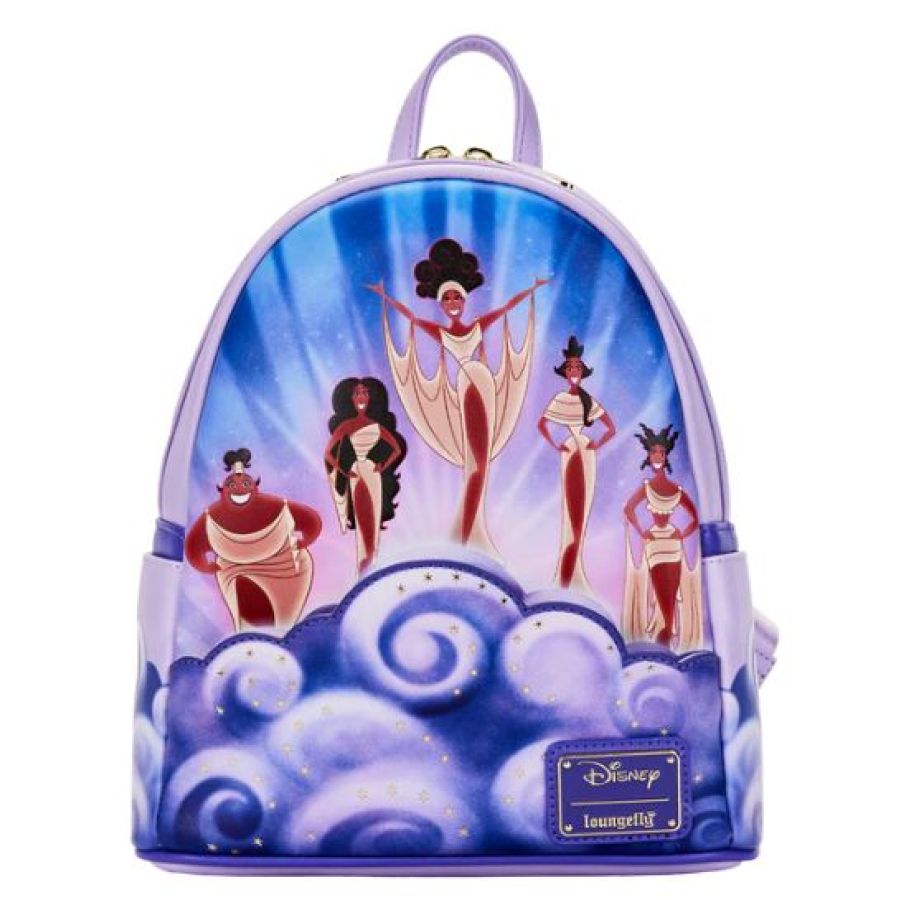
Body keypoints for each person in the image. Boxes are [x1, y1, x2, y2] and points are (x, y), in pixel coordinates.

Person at [367, 238, 548, 557]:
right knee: (476, 465)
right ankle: (466, 534)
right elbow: (411, 318)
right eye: (447, 298)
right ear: (441, 303)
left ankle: (468, 533)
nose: (452, 302)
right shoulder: (441, 332)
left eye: (457, 297)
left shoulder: (477, 326)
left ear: (464, 300)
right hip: (469, 384)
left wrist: (531, 290)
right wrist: (385, 298)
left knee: (479, 464)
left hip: (483, 382)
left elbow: (506, 308)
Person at [184, 449, 322, 631]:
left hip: (285, 568)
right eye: (232, 485)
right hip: (236, 573)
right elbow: (194, 547)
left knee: (284, 622)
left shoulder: (277, 506)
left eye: (246, 483)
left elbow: (310, 521)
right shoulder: (211, 517)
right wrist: (203, 565)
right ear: (222, 490)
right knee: (250, 618)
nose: (239, 489)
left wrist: (307, 539)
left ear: (254, 486)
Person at [538, 336, 616, 594]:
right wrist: (557, 445)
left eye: (578, 368)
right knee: (571, 513)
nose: (574, 371)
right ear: (564, 371)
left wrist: (596, 444)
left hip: (584, 452)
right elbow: (542, 424)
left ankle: (570, 576)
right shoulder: (561, 398)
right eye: (570, 367)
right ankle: (566, 577)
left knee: (581, 512)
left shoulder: (587, 400)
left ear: (583, 372)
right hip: (571, 452)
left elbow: (611, 428)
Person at [622, 425, 702, 650]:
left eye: (661, 452)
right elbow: (628, 509)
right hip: (655, 545)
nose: (657, 456)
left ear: (666, 456)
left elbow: (695, 517)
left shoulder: (676, 489)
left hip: (672, 544)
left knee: (670, 595)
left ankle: (664, 640)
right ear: (648, 456)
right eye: (654, 452)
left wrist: (682, 533)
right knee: (663, 594)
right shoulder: (647, 488)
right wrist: (642, 532)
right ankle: (664, 638)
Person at [324, 377, 406, 574]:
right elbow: (328, 454)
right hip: (357, 474)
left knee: (374, 517)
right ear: (350, 399)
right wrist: (344, 471)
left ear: (370, 398)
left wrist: (382, 465)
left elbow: (396, 449)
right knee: (363, 517)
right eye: (356, 393)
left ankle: (371, 563)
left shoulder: (376, 425)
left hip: (373, 474)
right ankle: (364, 564)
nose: (361, 396)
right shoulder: (346, 426)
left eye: (365, 393)